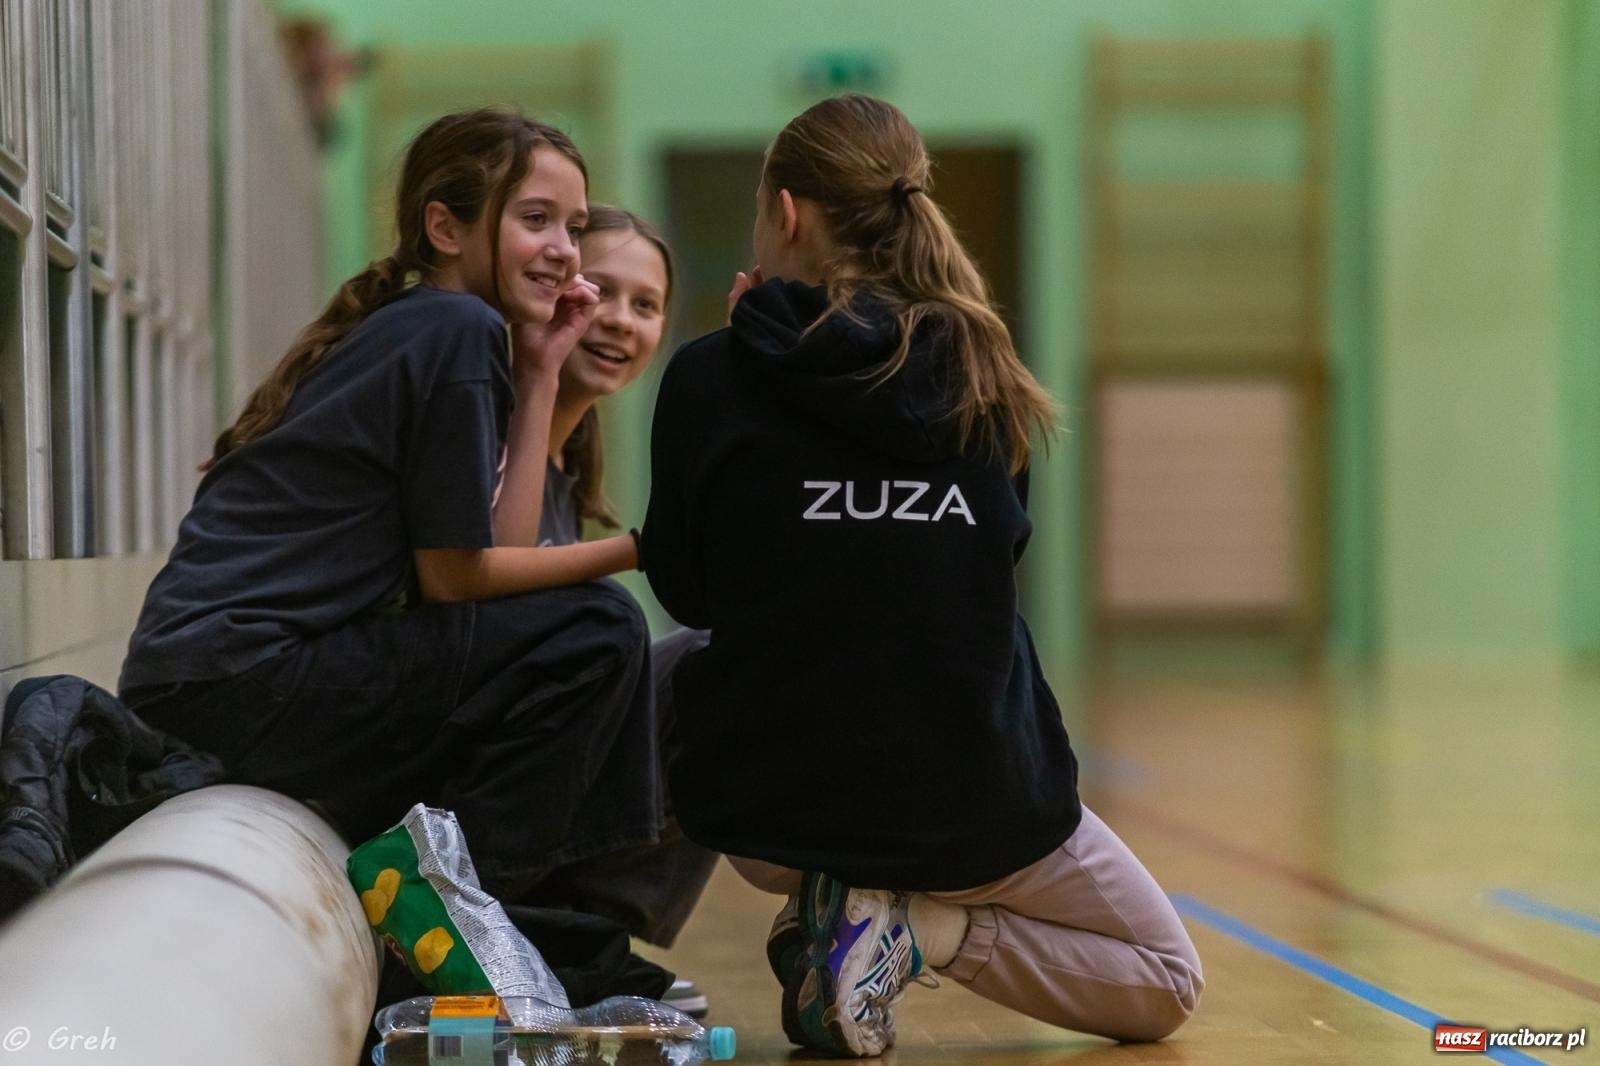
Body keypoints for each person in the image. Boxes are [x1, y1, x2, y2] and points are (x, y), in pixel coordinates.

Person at [641, 94, 1203, 1057]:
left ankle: (843, 909)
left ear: (785, 214)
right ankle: (913, 930)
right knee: (1165, 980)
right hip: (967, 804)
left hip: (770, 820)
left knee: (667, 666)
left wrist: (748, 366)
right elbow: (992, 564)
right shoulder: (986, 368)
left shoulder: (707, 375)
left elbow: (689, 596)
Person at [118, 109, 659, 910]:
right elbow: (456, 579)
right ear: (445, 227)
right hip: (237, 683)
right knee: (602, 631)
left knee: (589, 628)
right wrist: (645, 549)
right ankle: (462, 920)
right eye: (534, 219)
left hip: (208, 683)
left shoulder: (439, 326)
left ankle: (532, 928)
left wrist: (542, 369)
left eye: (573, 227)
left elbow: (497, 571)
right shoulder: (456, 329)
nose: (562, 250)